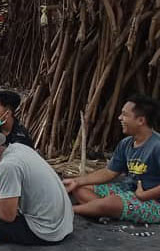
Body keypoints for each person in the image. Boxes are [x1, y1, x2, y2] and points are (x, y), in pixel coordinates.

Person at [64, 95, 160, 224]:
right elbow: (110, 172)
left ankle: (71, 209)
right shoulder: (126, 143)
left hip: (153, 202)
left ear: (141, 120)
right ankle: (103, 209)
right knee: (79, 189)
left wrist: (144, 195)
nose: (120, 118)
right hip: (128, 190)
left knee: (111, 202)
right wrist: (77, 181)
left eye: (125, 114)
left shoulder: (157, 146)